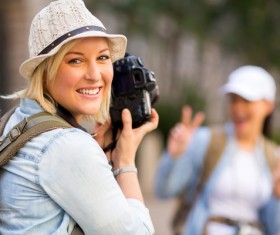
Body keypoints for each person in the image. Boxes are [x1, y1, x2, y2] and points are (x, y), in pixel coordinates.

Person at [0, 0, 158, 234]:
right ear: (45, 73)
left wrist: (96, 152)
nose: (95, 75)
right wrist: (124, 161)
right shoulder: (68, 146)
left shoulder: (18, 119)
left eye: (103, 58)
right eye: (76, 60)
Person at [155, 65, 280, 235]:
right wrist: (175, 157)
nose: (238, 108)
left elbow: (275, 228)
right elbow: (163, 190)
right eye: (233, 100)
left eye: (247, 100)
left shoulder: (274, 157)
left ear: (268, 106)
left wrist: (277, 196)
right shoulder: (205, 140)